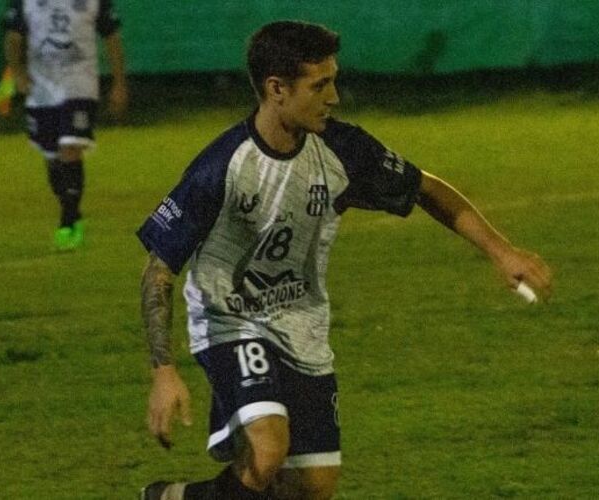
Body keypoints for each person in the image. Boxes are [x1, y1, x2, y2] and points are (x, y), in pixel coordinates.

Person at [137, 21, 552, 500]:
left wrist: (503, 253)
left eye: (333, 80)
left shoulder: (342, 150)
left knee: (313, 486)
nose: (333, 96)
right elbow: (158, 270)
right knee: (269, 451)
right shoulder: (223, 166)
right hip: (232, 321)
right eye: (320, 85)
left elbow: (426, 189)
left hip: (303, 326)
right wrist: (164, 373)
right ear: (277, 90)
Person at [3, 0, 128, 250]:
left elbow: (112, 37)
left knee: (70, 147)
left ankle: (68, 221)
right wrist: (17, 73)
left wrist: (119, 83)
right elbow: (13, 37)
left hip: (79, 86)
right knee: (52, 157)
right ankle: (70, 208)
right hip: (41, 90)